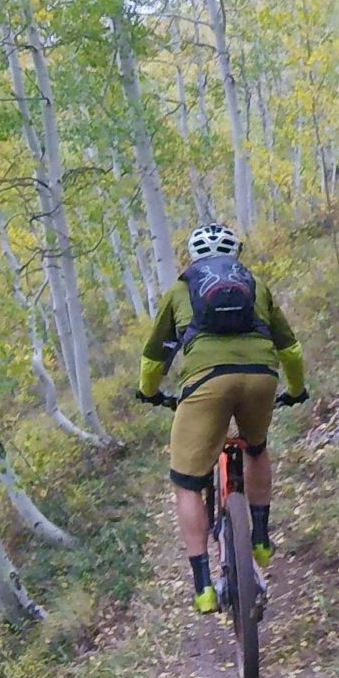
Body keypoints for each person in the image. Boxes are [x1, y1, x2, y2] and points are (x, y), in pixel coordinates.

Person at [136, 225, 308, 613]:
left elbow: (154, 357)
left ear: (194, 256)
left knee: (186, 482)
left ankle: (202, 587)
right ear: (236, 256)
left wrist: (149, 391)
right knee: (256, 446)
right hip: (262, 377)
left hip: (207, 383)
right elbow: (291, 350)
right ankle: (261, 539)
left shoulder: (181, 289)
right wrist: (295, 390)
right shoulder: (257, 286)